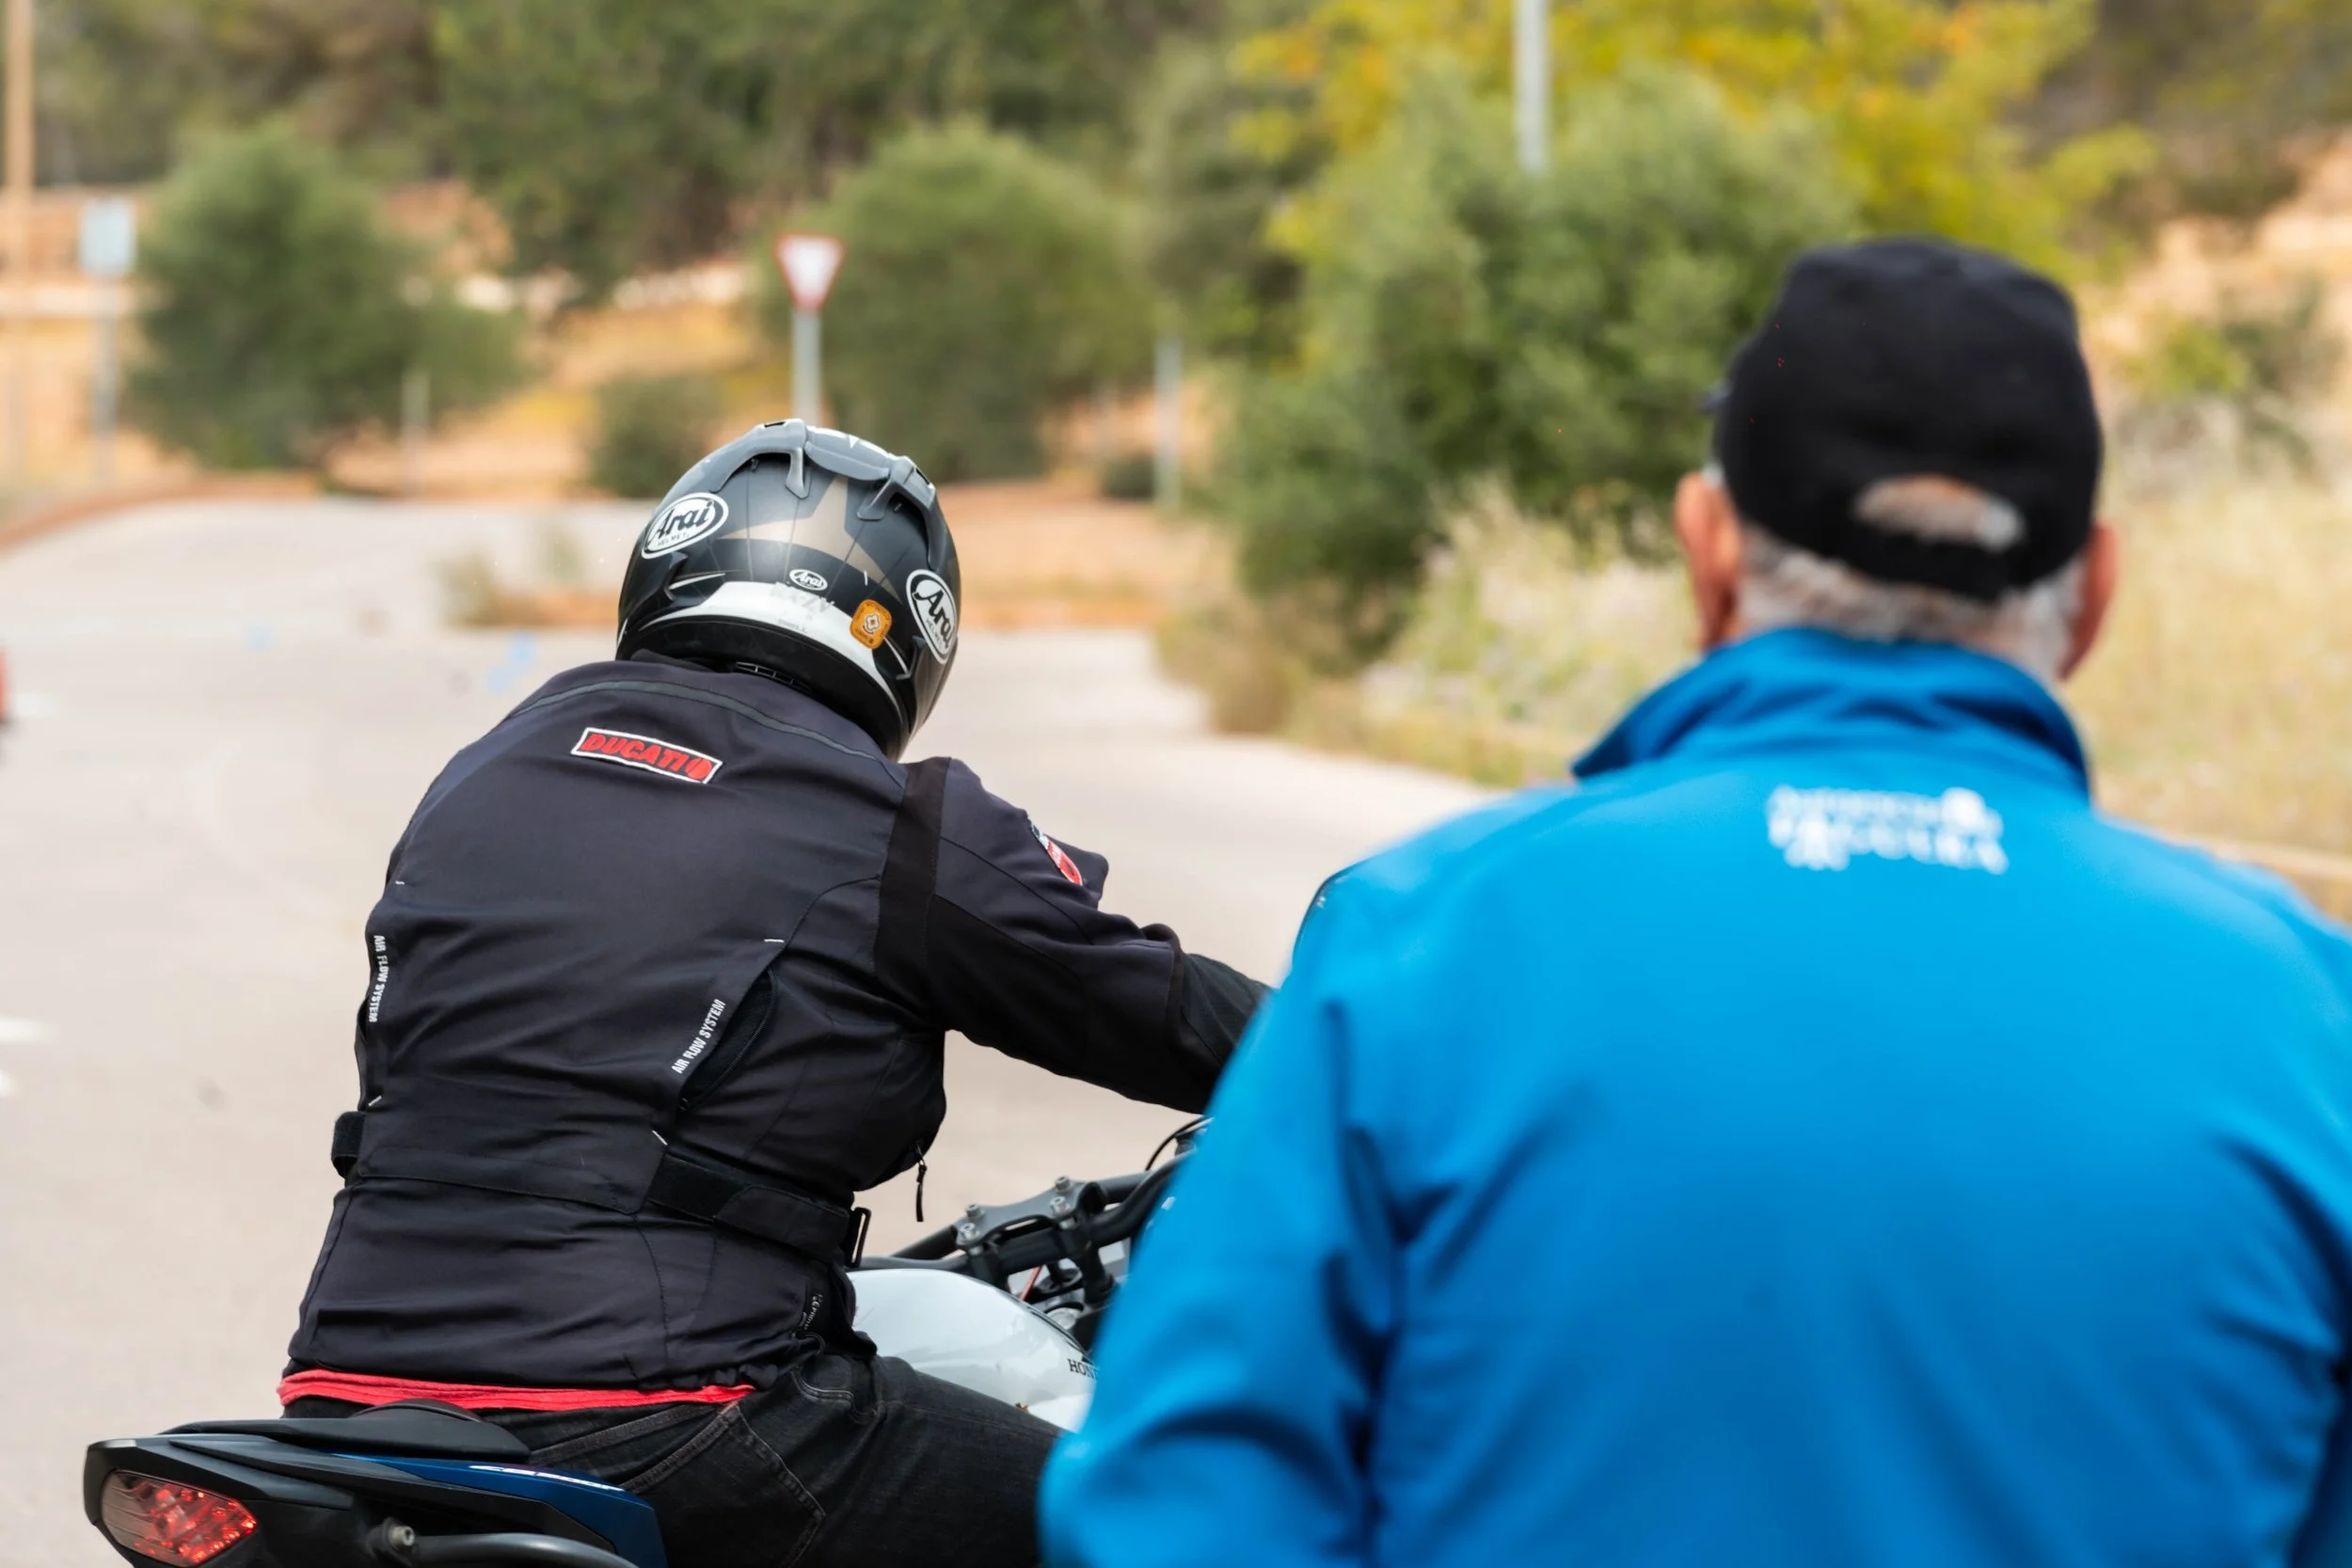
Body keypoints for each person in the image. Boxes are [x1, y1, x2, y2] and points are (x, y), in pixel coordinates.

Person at [1040, 239, 2352, 1568]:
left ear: (1708, 548)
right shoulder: (2311, 1016)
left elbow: (1173, 1504)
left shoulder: (1420, 945)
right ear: (2095, 597)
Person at [279, 420, 1267, 1568]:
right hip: (663, 1413)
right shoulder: (901, 821)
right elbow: (1155, 1004)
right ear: (910, 633)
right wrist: (1401, 1058)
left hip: (347, 1395)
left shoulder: (490, 761)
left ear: (666, 568)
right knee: (1186, 1524)